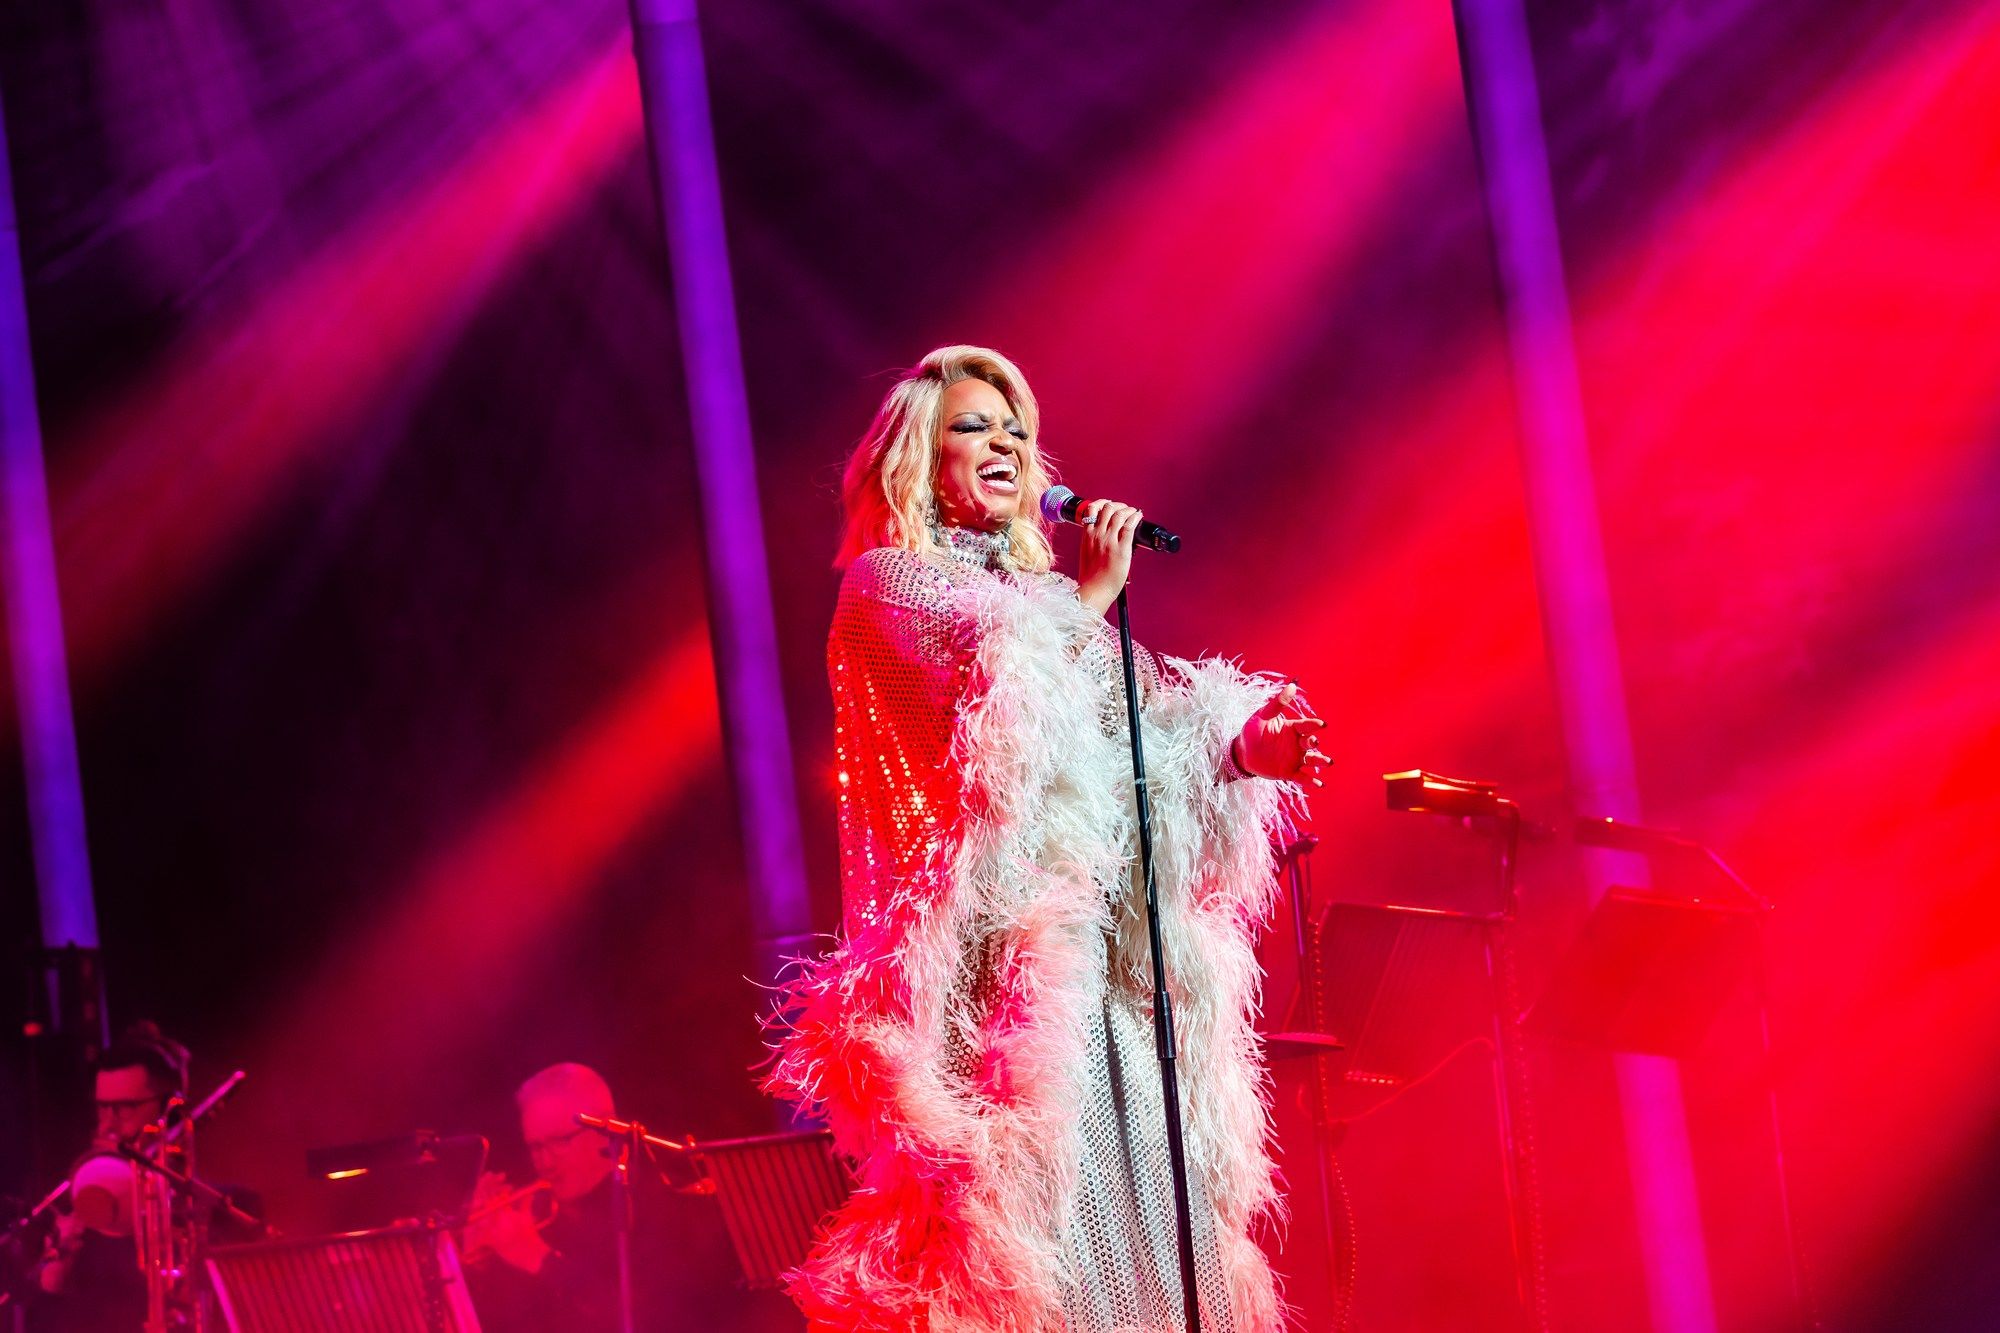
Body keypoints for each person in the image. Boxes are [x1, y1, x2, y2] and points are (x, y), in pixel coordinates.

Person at [766, 346, 1327, 1331]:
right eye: (974, 426)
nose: (1007, 443)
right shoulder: (888, 583)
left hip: (1106, 979)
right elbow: (1004, 691)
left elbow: (1144, 736)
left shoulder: (1046, 602)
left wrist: (1241, 750)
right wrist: (1094, 592)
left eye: (1016, 428)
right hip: (1000, 982)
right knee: (1029, 1248)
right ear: (915, 458)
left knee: (1158, 1232)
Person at [465, 1063, 748, 1332]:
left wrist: (535, 1257)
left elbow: (641, 1320)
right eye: (535, 1147)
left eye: (560, 1142)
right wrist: (479, 1259)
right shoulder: (540, 1214)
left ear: (605, 1132)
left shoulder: (657, 1209)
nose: (545, 1162)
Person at [21, 1023, 189, 1332]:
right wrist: (55, 1275)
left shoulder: (207, 1216)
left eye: (124, 1108)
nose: (108, 1126)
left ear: (170, 1111)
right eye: (102, 1109)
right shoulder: (79, 1225)